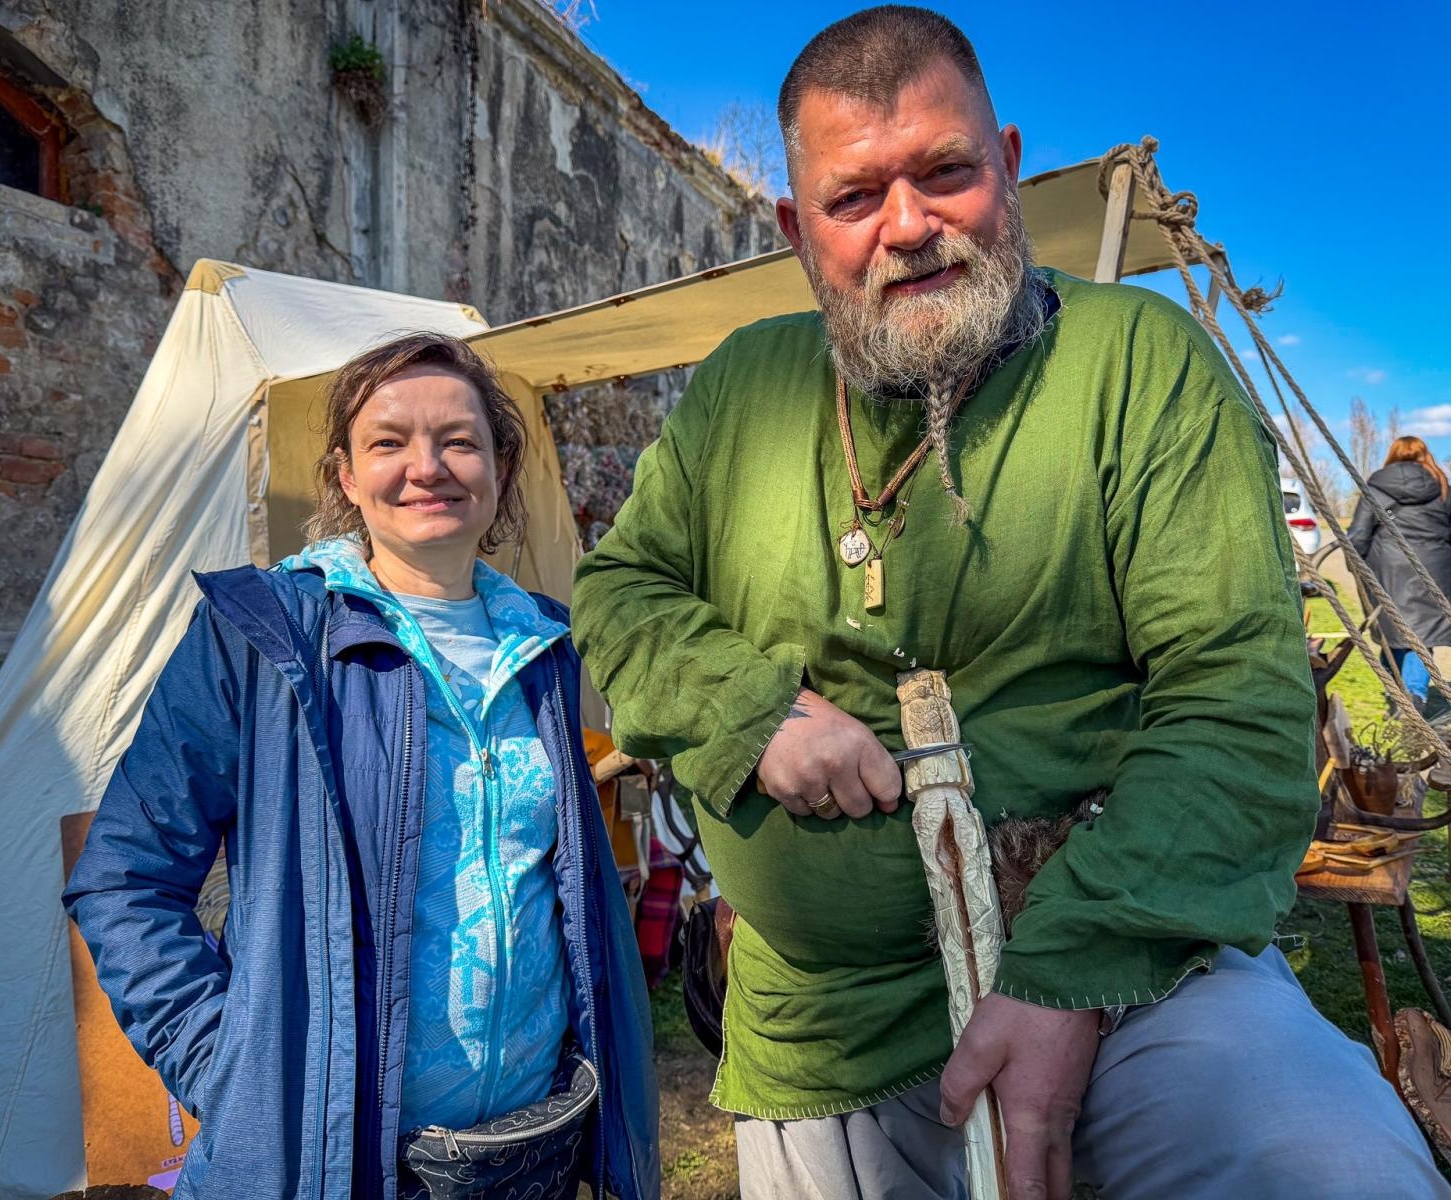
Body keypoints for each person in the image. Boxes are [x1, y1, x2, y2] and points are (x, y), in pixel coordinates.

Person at [572, 8, 1446, 1199]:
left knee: (1335, 1170)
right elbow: (620, 592)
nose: (909, 228)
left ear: (1009, 163)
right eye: (854, 198)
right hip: (824, 1031)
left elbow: (1234, 701)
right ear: (795, 228)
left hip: (1138, 978)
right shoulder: (741, 388)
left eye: (946, 172)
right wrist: (750, 710)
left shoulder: (1142, 362)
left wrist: (1069, 974)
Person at [65, 332, 658, 1200]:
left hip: (534, 1149)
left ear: (500, 468)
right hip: (335, 1161)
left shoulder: (546, 644)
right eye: (389, 442)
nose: (428, 466)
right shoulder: (263, 639)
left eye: (459, 439)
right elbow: (121, 877)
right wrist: (230, 1066)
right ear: (345, 476)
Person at [1349, 435, 1451, 712]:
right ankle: (1413, 696)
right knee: (1421, 636)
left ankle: (1402, 698)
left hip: (1388, 568)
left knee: (1392, 630)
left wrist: (1355, 567)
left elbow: (1358, 534)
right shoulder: (1442, 487)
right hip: (1433, 569)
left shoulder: (1378, 487)